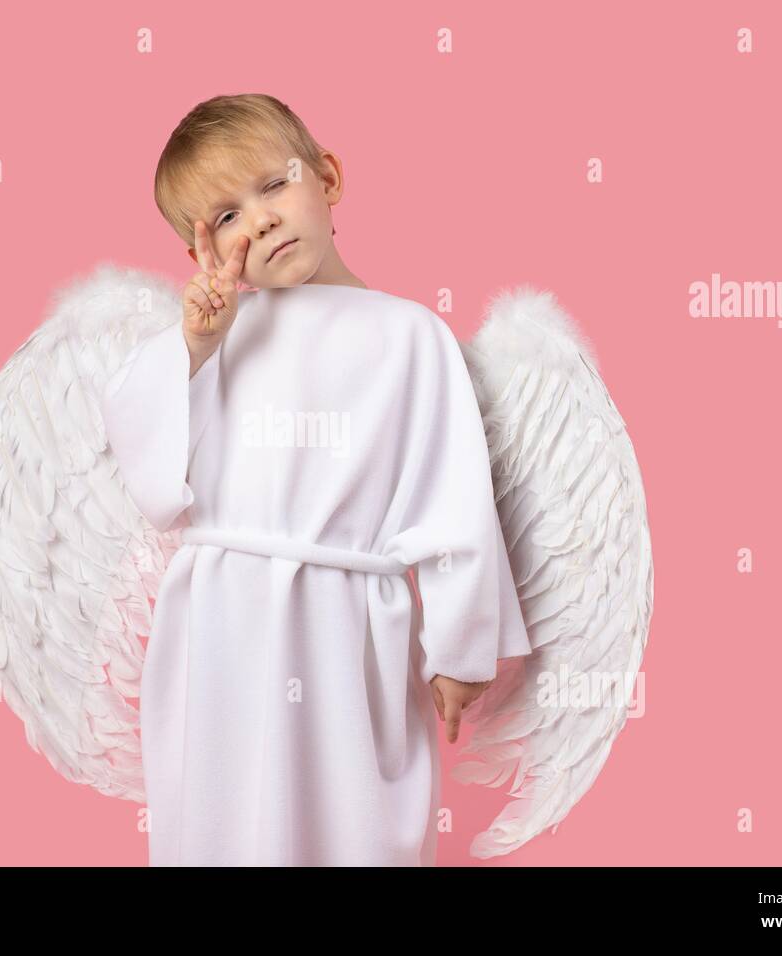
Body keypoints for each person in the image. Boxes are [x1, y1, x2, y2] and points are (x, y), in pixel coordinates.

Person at [99, 93, 532, 866]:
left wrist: (459, 647)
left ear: (327, 178)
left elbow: (455, 497)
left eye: (273, 184)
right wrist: (193, 346)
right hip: (221, 620)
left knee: (354, 820)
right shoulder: (213, 337)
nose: (259, 221)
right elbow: (154, 479)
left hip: (351, 623)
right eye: (224, 217)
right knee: (220, 812)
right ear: (196, 248)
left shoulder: (411, 336)